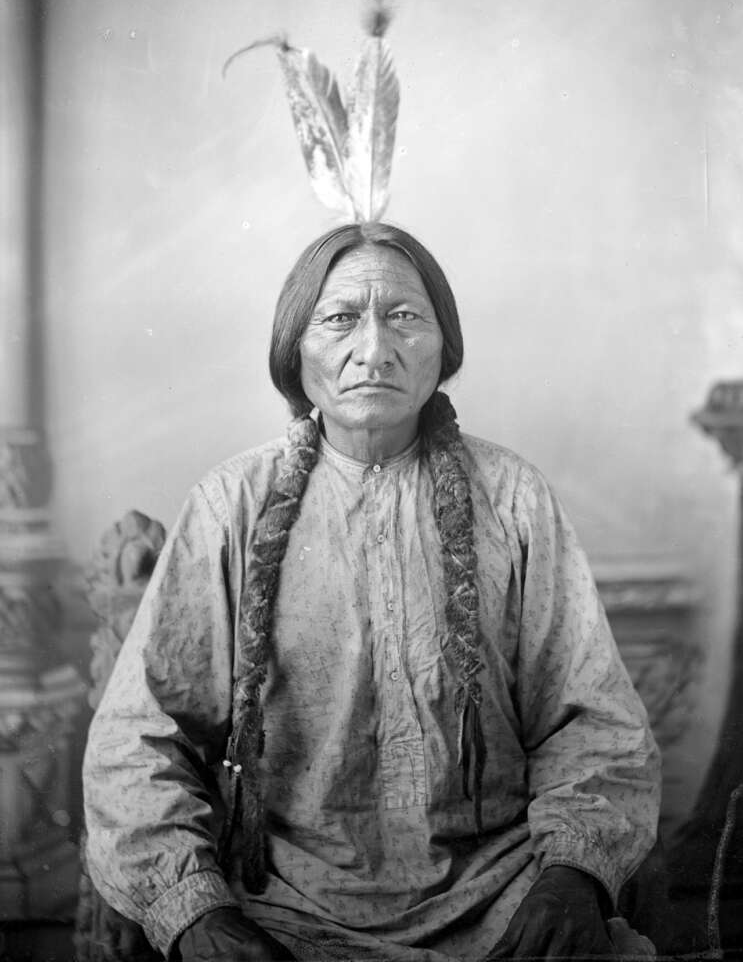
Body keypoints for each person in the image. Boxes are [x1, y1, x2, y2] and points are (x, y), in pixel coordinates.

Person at [82, 222, 661, 962]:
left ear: (444, 348)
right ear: (296, 349)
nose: (374, 348)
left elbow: (593, 722)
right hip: (277, 907)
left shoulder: (512, 497)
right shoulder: (231, 506)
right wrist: (194, 911)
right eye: (339, 318)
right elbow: (138, 739)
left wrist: (571, 877)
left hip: (503, 900)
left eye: (404, 317)